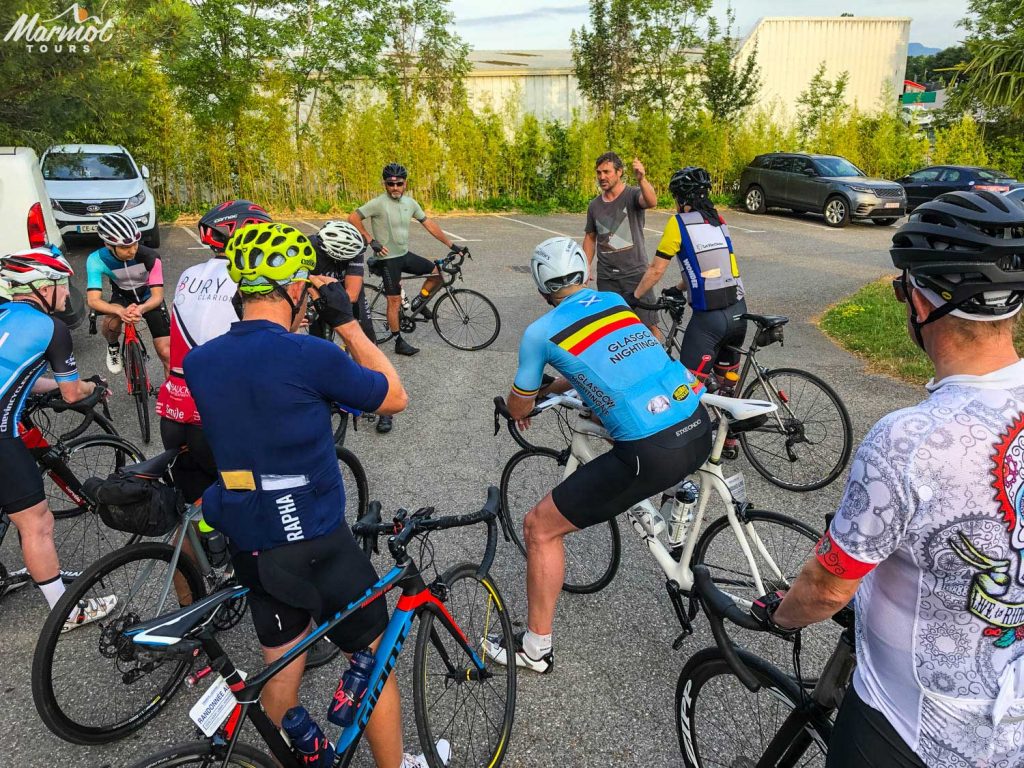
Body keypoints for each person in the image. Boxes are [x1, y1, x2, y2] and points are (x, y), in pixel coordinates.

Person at [752, 191, 1024, 768]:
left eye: (903, 289)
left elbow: (827, 588)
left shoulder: (909, 441)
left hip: (911, 726)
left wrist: (780, 614)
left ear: (922, 302)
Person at [182, 222, 428, 767]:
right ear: (297, 288)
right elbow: (396, 396)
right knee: (373, 658)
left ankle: (293, 750)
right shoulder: (307, 355)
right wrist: (348, 323)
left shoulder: (200, 362)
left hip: (256, 543)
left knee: (280, 670)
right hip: (319, 541)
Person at [486, 236, 711, 673]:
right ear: (584, 273)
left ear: (540, 288)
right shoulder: (611, 300)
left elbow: (519, 405)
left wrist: (529, 399)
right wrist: (557, 386)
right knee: (638, 444)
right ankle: (677, 501)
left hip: (652, 450)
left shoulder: (539, 333)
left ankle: (534, 649)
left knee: (539, 528)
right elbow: (596, 361)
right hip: (697, 424)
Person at [0, 248, 116, 629]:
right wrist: (93, 386)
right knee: (37, 522)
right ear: (40, 287)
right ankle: (66, 611)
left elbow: (22, 376)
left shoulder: (5, 316)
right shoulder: (53, 329)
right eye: (62, 284)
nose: (67, 294)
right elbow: (70, 393)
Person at [156, 200, 273, 505]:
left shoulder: (188, 274)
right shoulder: (247, 281)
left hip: (174, 412)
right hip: (215, 417)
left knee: (198, 511)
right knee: (248, 501)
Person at [631, 166, 746, 453]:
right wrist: (680, 288)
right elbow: (711, 267)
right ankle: (729, 439)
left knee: (687, 384)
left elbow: (656, 270)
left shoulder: (679, 223)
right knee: (726, 379)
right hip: (739, 311)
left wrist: (632, 297)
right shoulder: (718, 221)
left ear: (681, 198)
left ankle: (691, 446)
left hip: (711, 319)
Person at [348, 162, 467, 358]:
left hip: (403, 255)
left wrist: (452, 245)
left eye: (399, 184)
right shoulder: (378, 203)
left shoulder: (410, 203)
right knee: (393, 301)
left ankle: (419, 301)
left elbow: (428, 224)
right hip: (387, 259)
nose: (395, 188)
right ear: (385, 184)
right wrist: (371, 241)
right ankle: (397, 341)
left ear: (405, 184)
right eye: (390, 184)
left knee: (437, 273)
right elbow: (353, 218)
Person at [583, 152, 659, 336]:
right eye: (599, 172)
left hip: (635, 274)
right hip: (607, 278)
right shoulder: (594, 206)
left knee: (649, 327)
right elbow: (590, 238)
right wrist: (585, 268)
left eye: (607, 172)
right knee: (613, 328)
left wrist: (642, 179)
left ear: (619, 172)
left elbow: (651, 201)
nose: (602, 177)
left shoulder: (632, 195)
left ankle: (657, 363)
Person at [87, 212, 171, 378]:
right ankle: (113, 346)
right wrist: (119, 311)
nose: (132, 250)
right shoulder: (96, 260)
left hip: (148, 299)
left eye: (135, 244)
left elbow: (157, 296)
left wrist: (141, 309)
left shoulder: (151, 257)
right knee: (110, 322)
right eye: (125, 247)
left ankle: (172, 396)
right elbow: (93, 300)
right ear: (108, 244)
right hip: (122, 298)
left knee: (167, 354)